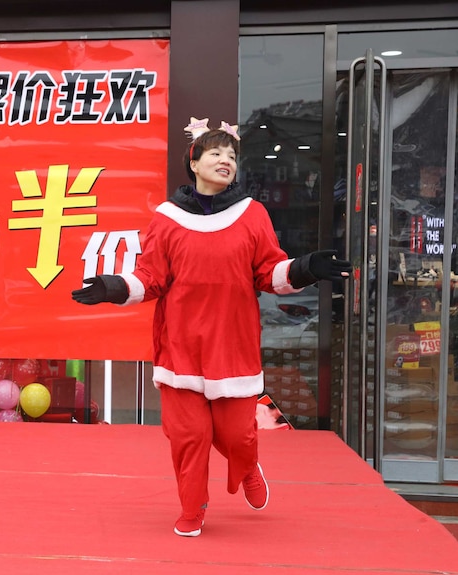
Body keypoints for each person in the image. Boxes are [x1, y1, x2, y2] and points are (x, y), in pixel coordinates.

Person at [71, 117, 351, 538]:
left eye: (232, 156)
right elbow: (150, 277)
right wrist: (114, 286)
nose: (226, 161)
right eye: (216, 153)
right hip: (180, 348)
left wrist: (307, 267)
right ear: (195, 163)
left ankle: (246, 464)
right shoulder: (166, 219)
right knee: (189, 436)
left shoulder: (252, 215)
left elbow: (269, 272)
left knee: (237, 435)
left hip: (232, 347)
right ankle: (193, 507)